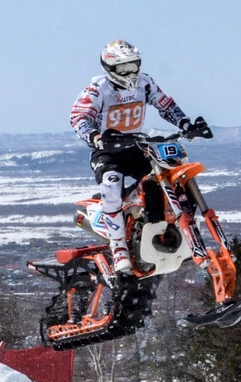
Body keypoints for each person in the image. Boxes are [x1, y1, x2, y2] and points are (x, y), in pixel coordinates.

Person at [70, 39, 193, 273]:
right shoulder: (98, 89)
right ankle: (119, 251)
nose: (130, 73)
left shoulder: (144, 83)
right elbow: (78, 116)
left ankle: (172, 228)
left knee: (169, 174)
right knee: (112, 186)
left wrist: (185, 123)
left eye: (133, 66)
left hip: (136, 145)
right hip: (108, 150)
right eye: (124, 68)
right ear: (110, 69)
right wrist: (95, 136)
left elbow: (165, 104)